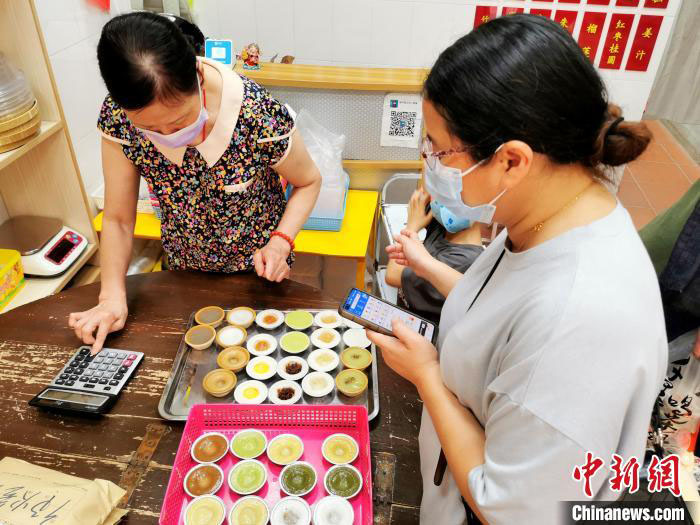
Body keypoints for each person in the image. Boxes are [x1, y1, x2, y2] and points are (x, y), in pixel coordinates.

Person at [367, 14, 667, 524]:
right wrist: (430, 268)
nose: (429, 164)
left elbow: (513, 509)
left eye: (439, 150)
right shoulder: (545, 216)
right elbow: (502, 309)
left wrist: (428, 376)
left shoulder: (582, 319)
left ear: (512, 161)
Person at [69, 12, 321, 353]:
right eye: (151, 129)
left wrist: (280, 243)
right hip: (182, 273)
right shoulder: (119, 117)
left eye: (179, 122)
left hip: (260, 275)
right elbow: (117, 219)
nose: (168, 135)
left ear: (199, 77)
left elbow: (308, 181)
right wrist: (111, 297)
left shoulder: (256, 114)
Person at [385, 187, 483, 324]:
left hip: (419, 331)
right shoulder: (443, 226)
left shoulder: (464, 260)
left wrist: (411, 227)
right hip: (404, 318)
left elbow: (392, 274)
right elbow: (423, 195)